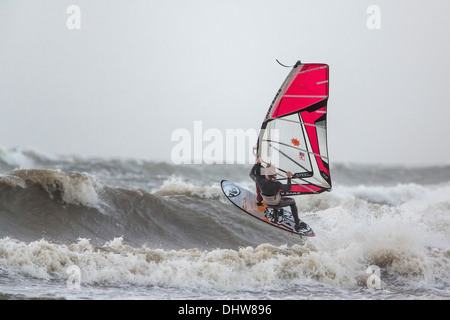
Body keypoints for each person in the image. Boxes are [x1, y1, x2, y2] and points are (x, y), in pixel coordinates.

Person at [249, 157, 304, 232]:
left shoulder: (259, 181)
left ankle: (276, 217)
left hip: (266, 203)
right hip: (277, 203)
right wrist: (289, 178)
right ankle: (297, 224)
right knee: (292, 202)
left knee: (274, 195)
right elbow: (288, 189)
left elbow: (251, 174)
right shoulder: (277, 184)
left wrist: (257, 163)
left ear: (266, 173)